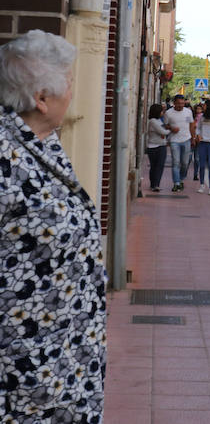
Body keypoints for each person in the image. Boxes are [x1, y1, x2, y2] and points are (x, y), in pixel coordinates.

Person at [0, 30, 107, 421]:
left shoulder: (40, 141)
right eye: (70, 84)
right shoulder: (4, 153)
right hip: (25, 378)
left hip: (63, 367)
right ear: (42, 99)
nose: (74, 93)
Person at [164, 93, 196, 192]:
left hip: (186, 139)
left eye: (182, 103)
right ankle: (176, 183)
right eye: (178, 103)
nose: (180, 105)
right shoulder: (168, 113)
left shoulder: (188, 112)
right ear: (174, 103)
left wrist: (193, 138)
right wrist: (171, 128)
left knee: (185, 163)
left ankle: (181, 179)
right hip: (174, 141)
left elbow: (192, 125)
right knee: (176, 162)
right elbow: (165, 125)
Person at [147, 103, 169, 192]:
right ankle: (154, 184)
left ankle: (156, 184)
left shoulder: (159, 120)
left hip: (162, 145)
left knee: (159, 166)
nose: (163, 113)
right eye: (162, 111)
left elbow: (163, 129)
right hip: (154, 147)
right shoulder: (153, 121)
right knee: (155, 166)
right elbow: (163, 132)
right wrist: (170, 130)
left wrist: (166, 129)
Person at [191, 101, 205, 181]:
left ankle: (195, 174)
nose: (198, 110)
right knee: (188, 159)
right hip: (191, 139)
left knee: (197, 158)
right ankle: (184, 173)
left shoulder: (203, 117)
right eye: (197, 109)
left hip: (199, 140)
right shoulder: (192, 117)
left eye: (200, 109)